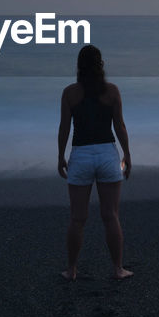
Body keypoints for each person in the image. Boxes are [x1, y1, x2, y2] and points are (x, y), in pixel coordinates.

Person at [57, 44, 132, 280]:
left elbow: (65, 128)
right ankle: (118, 269)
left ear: (79, 66)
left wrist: (60, 156)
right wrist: (127, 154)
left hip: (81, 155)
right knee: (110, 215)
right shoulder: (112, 91)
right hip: (107, 155)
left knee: (78, 218)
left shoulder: (70, 92)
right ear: (101, 65)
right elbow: (119, 126)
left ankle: (71, 270)